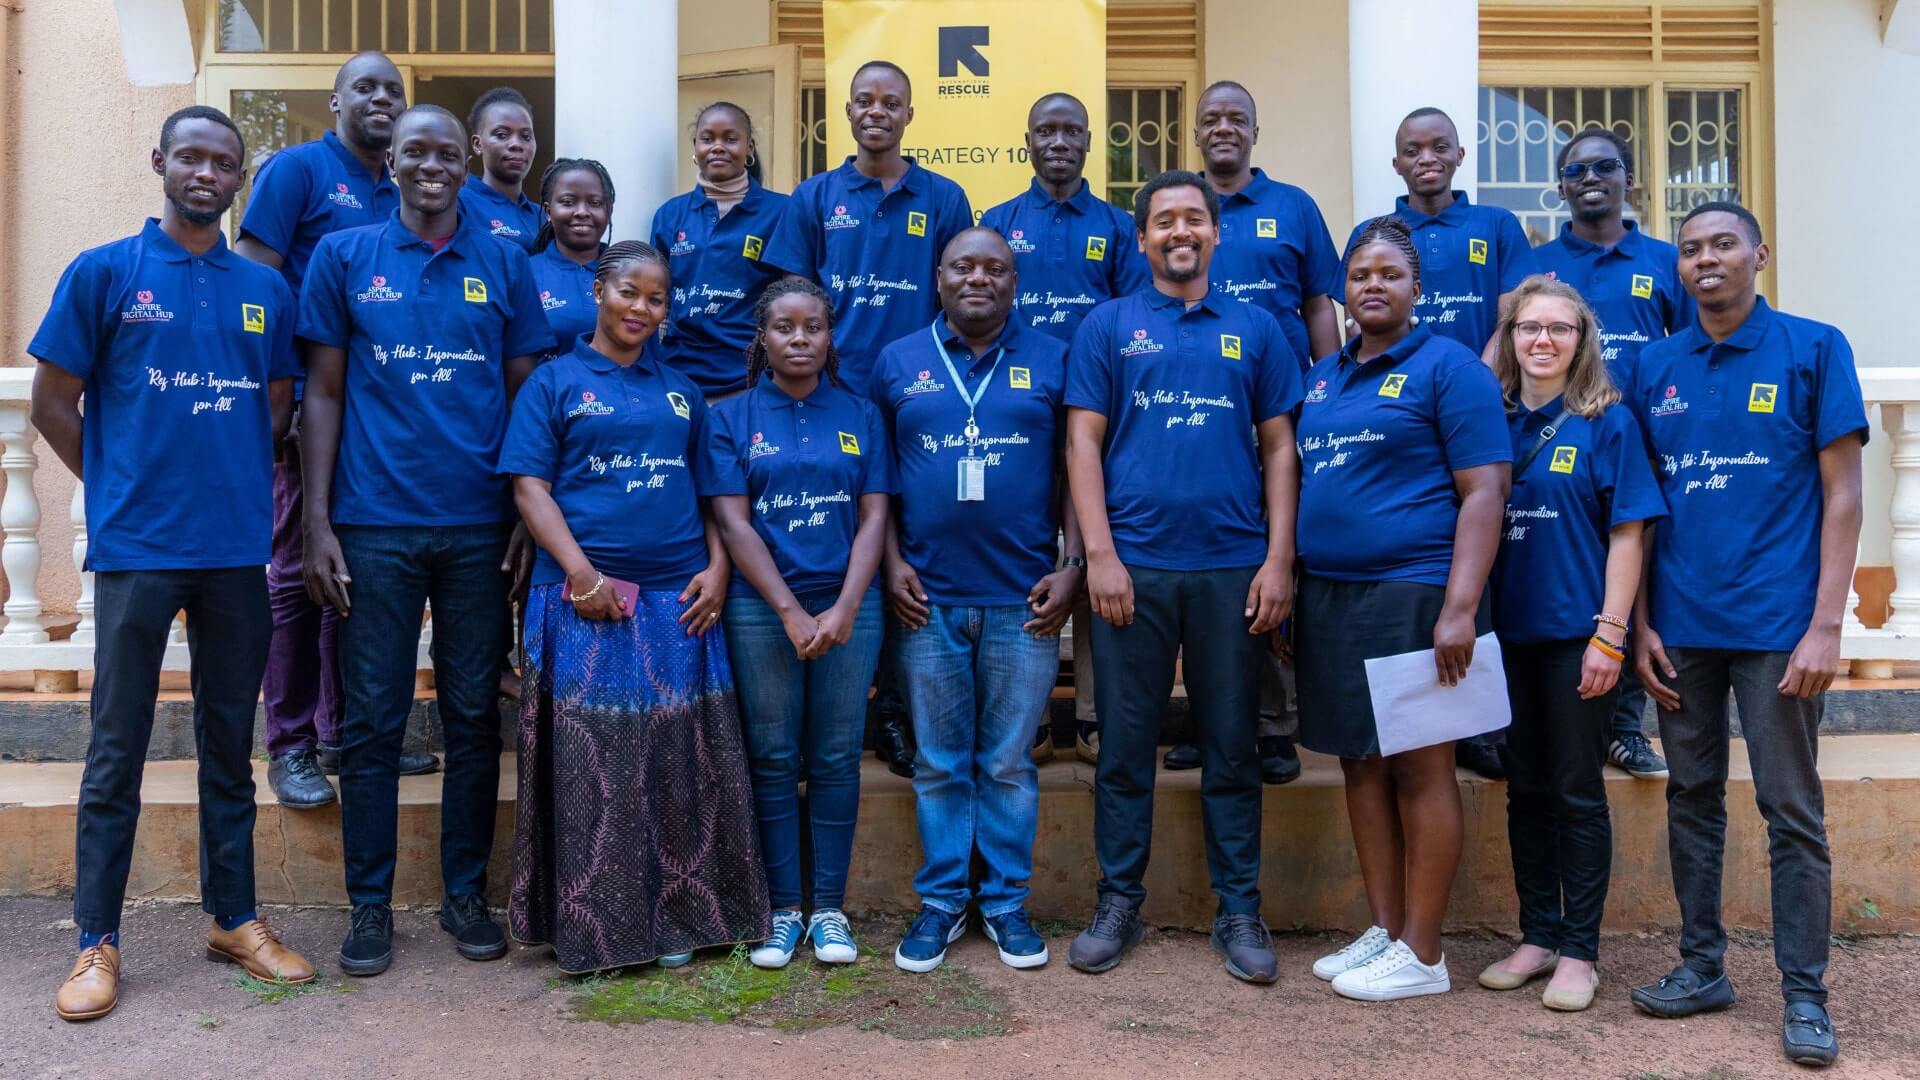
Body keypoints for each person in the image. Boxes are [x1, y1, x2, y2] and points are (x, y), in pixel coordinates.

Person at [34, 105, 313, 1020]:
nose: (206, 172)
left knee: (230, 748)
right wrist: (120, 484)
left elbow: (277, 406)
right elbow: (51, 401)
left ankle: (233, 917)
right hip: (138, 550)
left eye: (223, 161)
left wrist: (219, 476)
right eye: (190, 155)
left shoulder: (262, 291)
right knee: (115, 749)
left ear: (240, 177)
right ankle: (95, 942)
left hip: (235, 551)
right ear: (160, 162)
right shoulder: (106, 273)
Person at [297, 104, 553, 978]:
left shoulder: (506, 260)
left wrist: (525, 510)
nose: (433, 166)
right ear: (392, 164)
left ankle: (464, 895)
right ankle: (369, 908)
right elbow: (321, 396)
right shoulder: (343, 256)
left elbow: (529, 394)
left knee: (475, 716)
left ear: (466, 159)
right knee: (372, 721)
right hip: (374, 526)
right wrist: (318, 519)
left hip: (480, 526)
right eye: (417, 152)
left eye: (448, 152)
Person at [1627, 202, 1864, 1070]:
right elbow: (1641, 508)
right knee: (1692, 800)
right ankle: (1702, 967)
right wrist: (1642, 621)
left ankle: (1805, 996)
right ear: (1678, 269)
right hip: (1682, 627)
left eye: (1723, 243)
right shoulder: (1656, 365)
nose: (1705, 259)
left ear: (1759, 253)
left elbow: (1843, 496)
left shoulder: (1812, 347)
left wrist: (1826, 627)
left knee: (1790, 811)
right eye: (1689, 250)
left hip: (1777, 629)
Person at [500, 239, 764, 974]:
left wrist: (716, 571)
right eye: (629, 293)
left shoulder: (682, 391)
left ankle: (678, 919)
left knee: (681, 763)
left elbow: (715, 498)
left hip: (678, 603)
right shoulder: (553, 384)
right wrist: (582, 574)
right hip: (584, 601)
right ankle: (599, 930)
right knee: (598, 769)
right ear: (599, 291)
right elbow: (530, 489)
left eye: (656, 299)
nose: (641, 308)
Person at [1063, 171, 1300, 985]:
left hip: (1233, 570)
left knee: (1233, 747)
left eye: (1193, 219)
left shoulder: (1257, 327)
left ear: (1215, 232)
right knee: (1124, 748)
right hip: (1133, 569)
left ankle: (1239, 907)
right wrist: (1099, 554)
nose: (1180, 232)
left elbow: (1278, 447)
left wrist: (1277, 557)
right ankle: (1117, 901)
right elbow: (1083, 444)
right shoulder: (1108, 325)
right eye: (1164, 221)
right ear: (1142, 239)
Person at [1295, 216, 1511, 1001]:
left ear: (1417, 288)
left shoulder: (1450, 367)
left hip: (1416, 594)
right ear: (1343, 291)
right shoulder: (1322, 377)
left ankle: (1424, 953)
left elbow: (1485, 490)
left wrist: (1460, 607)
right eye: (1360, 276)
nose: (1373, 286)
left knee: (1422, 769)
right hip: (1332, 597)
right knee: (1359, 760)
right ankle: (1386, 930)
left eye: (1390, 274)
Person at [756, 59, 972, 778]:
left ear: (909, 115)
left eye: (892, 101)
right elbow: (791, 298)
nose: (877, 111)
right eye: (865, 101)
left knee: (910, 547)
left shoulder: (942, 197)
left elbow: (961, 294)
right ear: (844, 113)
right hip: (830, 399)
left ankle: (897, 711)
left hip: (919, 396)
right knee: (841, 540)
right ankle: (841, 700)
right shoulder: (814, 197)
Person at [234, 50, 437, 809]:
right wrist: (277, 399)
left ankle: (346, 736)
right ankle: (289, 744)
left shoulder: (397, 188)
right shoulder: (298, 172)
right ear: (337, 100)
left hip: (369, 416)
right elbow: (254, 276)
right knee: (293, 577)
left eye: (393, 89)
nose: (381, 99)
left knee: (346, 578)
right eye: (367, 88)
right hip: (304, 409)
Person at [873, 228, 1079, 972]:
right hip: (926, 598)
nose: (978, 278)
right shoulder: (897, 361)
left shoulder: (1055, 358)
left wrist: (1076, 565)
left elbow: (1074, 470)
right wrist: (891, 562)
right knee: (938, 761)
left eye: (995, 267)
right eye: (964, 266)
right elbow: (879, 483)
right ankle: (942, 902)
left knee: (1006, 762)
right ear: (939, 276)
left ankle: (1005, 903)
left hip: (1024, 598)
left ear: (1014, 281)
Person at [1478, 276, 1666, 1012]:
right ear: (1510, 337)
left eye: (1561, 328)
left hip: (1576, 639)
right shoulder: (1487, 421)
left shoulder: (1607, 422)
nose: (1544, 340)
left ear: (1583, 341)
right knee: (1523, 790)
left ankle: (1580, 952)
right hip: (1505, 639)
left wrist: (1610, 636)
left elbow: (1629, 534)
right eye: (1529, 328)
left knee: (1577, 793)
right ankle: (1538, 934)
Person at [702, 278, 894, 970]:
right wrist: (787, 609)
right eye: (784, 328)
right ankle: (783, 909)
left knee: (838, 756)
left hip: (851, 606)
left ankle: (830, 911)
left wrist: (843, 607)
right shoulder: (729, 417)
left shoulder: (862, 413)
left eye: (813, 327)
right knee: (775, 756)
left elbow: (875, 515)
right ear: (763, 338)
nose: (800, 339)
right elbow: (731, 519)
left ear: (830, 335)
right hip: (761, 610)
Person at [1162, 79, 1346, 783]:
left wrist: (1333, 391)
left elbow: (1318, 305)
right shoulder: (1176, 207)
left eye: (1237, 118)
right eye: (1212, 119)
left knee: (1274, 562)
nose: (1224, 128)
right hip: (1196, 410)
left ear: (1255, 132)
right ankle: (1213, 720)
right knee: (1205, 570)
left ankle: (1272, 724)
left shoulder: (1293, 208)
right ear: (1197, 132)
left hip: (1279, 410)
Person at [1351, 106, 1537, 781]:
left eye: (1438, 147)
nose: (1426, 157)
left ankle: (1476, 727)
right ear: (1396, 162)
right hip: (1401, 420)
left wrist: (1480, 376)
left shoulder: (1494, 225)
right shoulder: (1377, 234)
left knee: (1479, 555)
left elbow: (1514, 308)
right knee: (1432, 553)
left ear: (1460, 155)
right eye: (1411, 149)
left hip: (1472, 410)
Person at [979, 91, 1148, 768]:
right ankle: (1032, 718)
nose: (1058, 141)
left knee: (1091, 559)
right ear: (1028, 141)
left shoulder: (1115, 224)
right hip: (1012, 412)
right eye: (1045, 130)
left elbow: (1135, 318)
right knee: (1030, 559)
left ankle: (1091, 715)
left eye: (1071, 131)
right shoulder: (997, 220)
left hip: (1095, 417)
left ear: (1088, 143)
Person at [1533, 127, 1692, 782]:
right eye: (1576, 169)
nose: (1590, 177)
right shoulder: (1538, 266)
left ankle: (1626, 728)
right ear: (1561, 187)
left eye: (1605, 166)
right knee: (1577, 583)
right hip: (1561, 453)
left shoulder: (1663, 261)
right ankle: (1560, 721)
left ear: (1631, 178)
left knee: (1639, 583)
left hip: (1647, 446)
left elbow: (1691, 348)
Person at [650, 101, 790, 399]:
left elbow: (791, 297)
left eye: (730, 138)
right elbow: (656, 301)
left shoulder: (782, 212)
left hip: (750, 378)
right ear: (695, 146)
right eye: (707, 138)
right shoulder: (669, 216)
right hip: (678, 375)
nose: (717, 146)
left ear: (749, 147)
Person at [530, 157, 614, 356]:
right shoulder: (525, 274)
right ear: (549, 212)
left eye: (594, 203)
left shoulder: (627, 271)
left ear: (609, 211)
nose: (582, 212)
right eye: (568, 202)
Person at [458, 87, 543, 254]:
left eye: (526, 136)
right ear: (477, 144)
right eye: (502, 135)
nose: (516, 144)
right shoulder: (459, 204)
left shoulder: (542, 215)